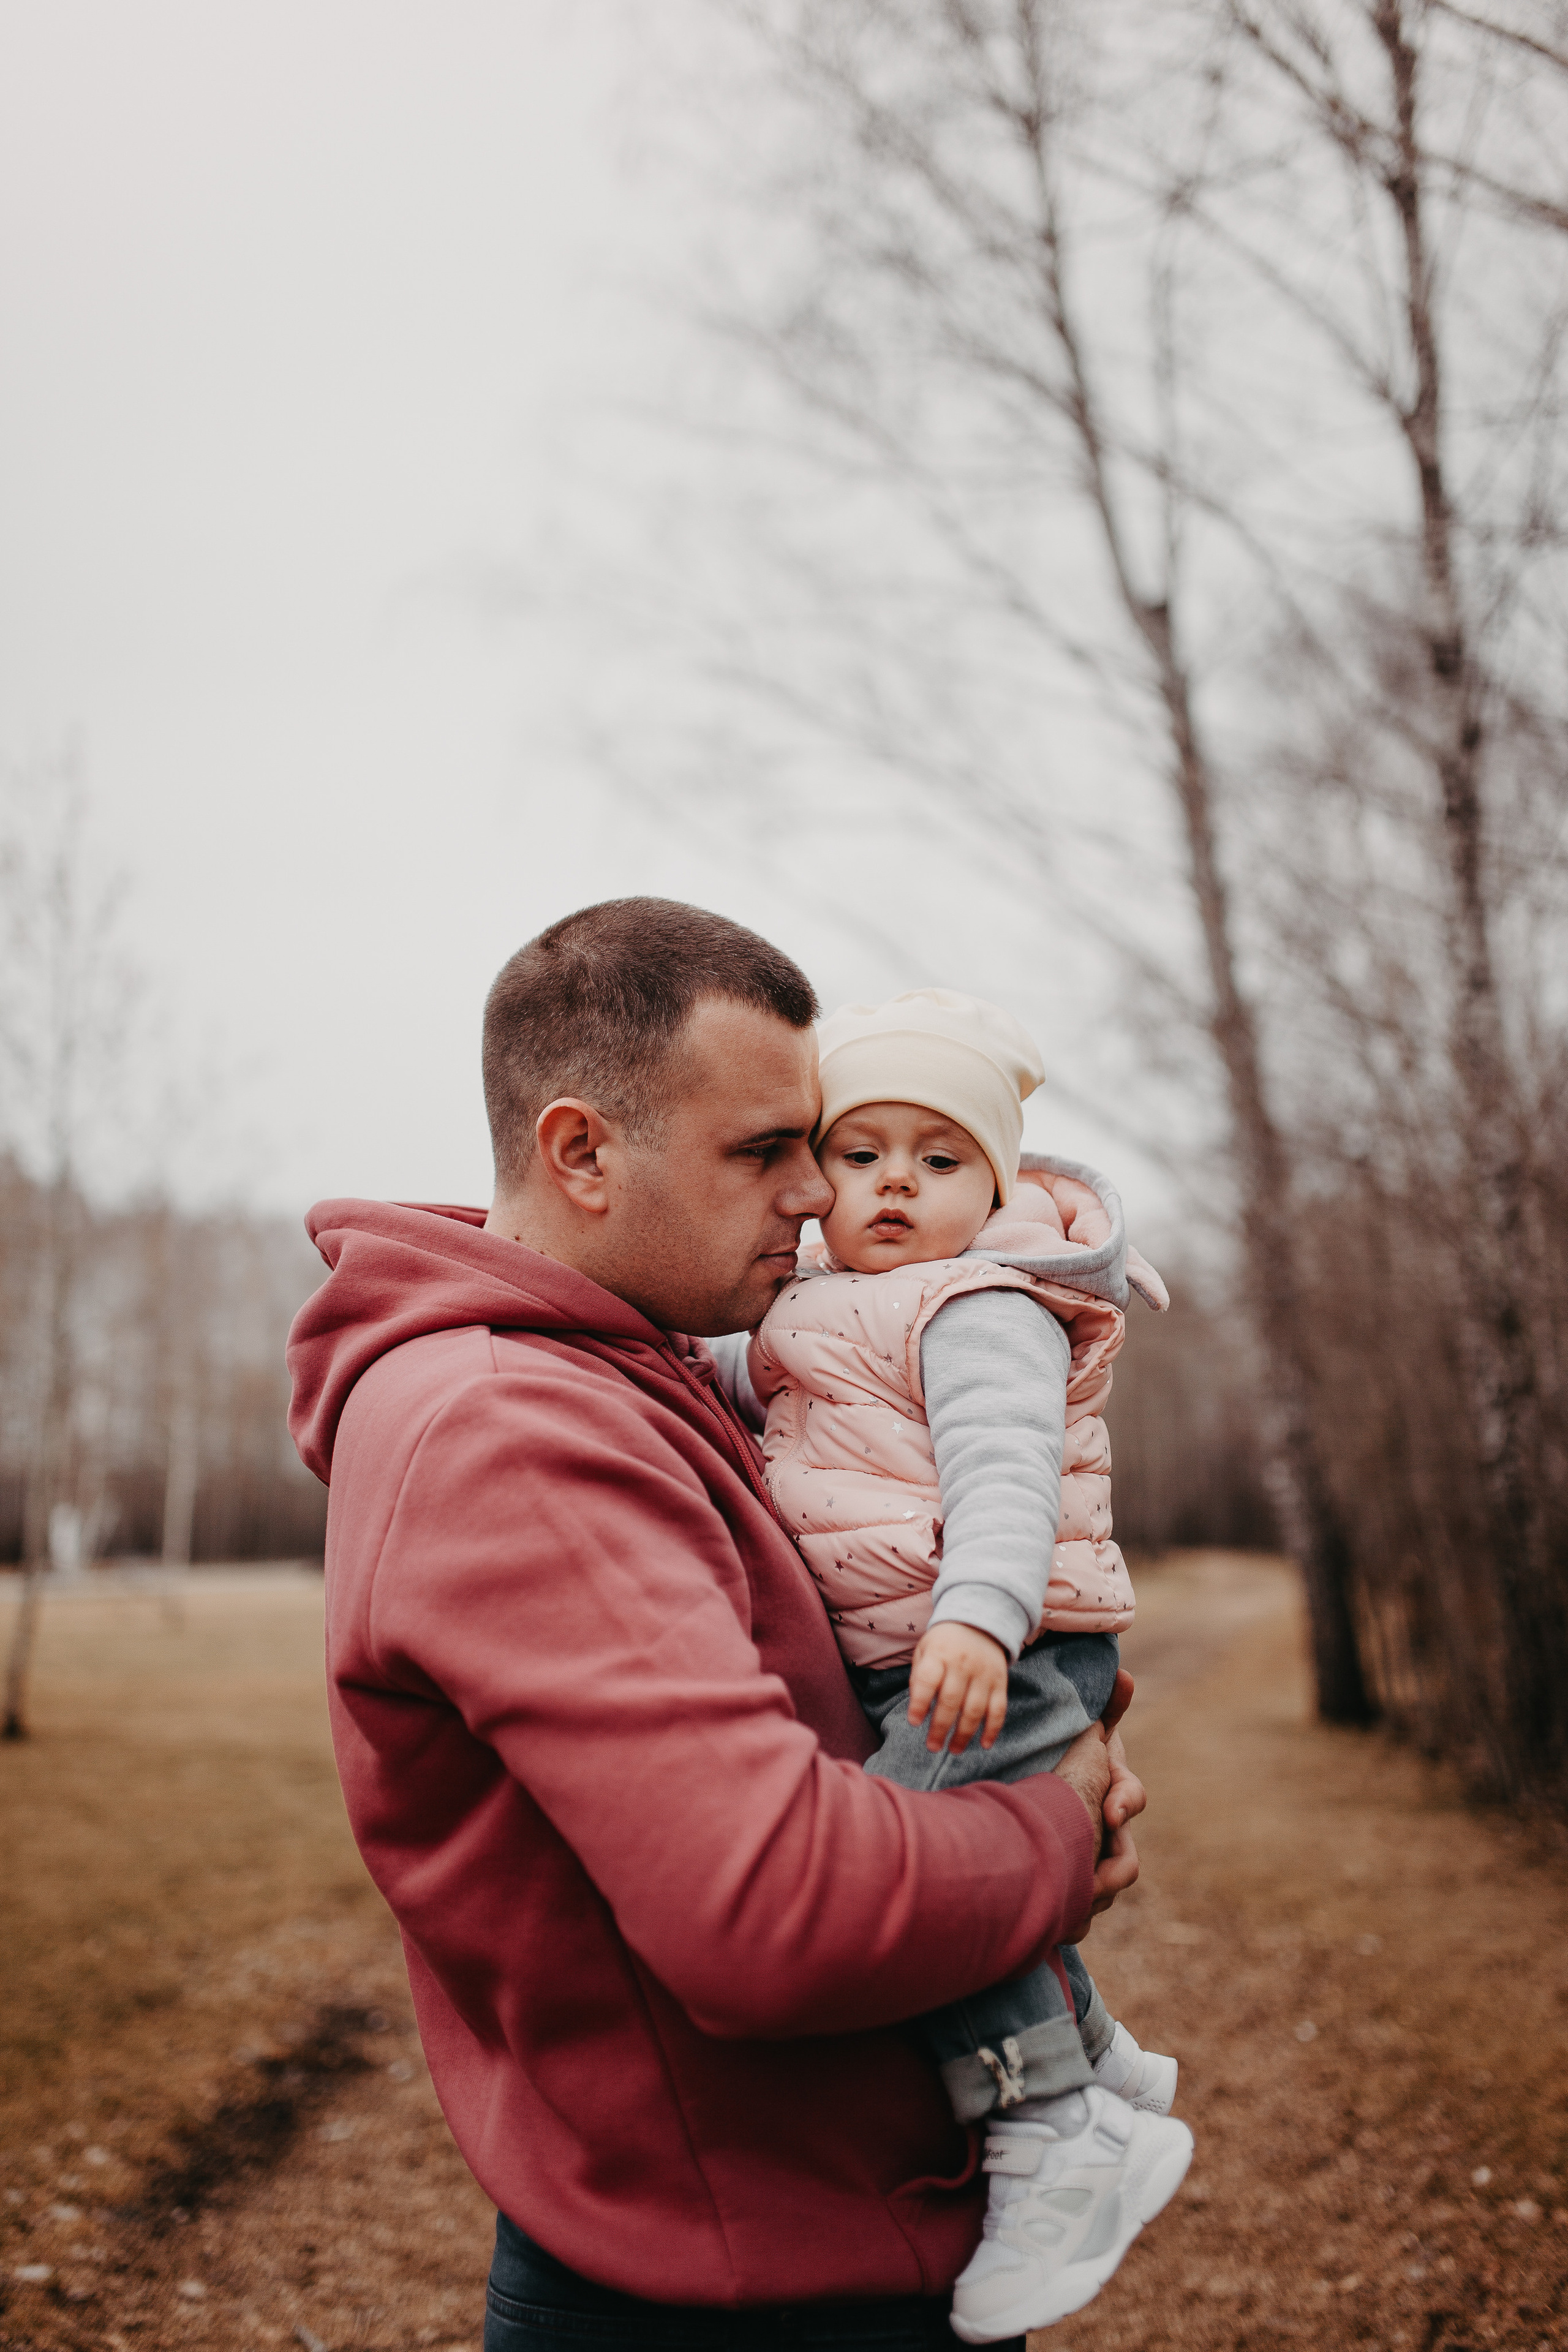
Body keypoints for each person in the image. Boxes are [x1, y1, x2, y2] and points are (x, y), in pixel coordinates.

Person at [287, 899, 1145, 2352]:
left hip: (811, 2232)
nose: (818, 1193)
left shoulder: (643, 1366)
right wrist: (1056, 1830)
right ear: (580, 1153)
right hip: (722, 2295)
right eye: (764, 1150)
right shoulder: (511, 1430)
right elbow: (769, 1914)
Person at [735, 989, 1191, 2343]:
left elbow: (1009, 1475)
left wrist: (973, 1620)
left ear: (991, 1183)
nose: (892, 1185)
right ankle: (1095, 2065)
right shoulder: (826, 1303)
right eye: (861, 1153)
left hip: (998, 1636)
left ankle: (1052, 2131)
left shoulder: (978, 1303)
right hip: (926, 1644)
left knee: (908, 1854)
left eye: (936, 1161)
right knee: (927, 1840)